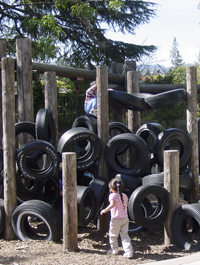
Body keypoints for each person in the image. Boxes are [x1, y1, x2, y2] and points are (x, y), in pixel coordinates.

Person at [100, 178, 133, 259]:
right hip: (125, 218)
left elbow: (112, 205)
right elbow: (128, 204)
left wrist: (104, 210)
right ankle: (129, 251)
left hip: (116, 219)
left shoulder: (112, 195)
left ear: (111, 188)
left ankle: (114, 249)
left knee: (113, 235)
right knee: (125, 235)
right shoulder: (124, 195)